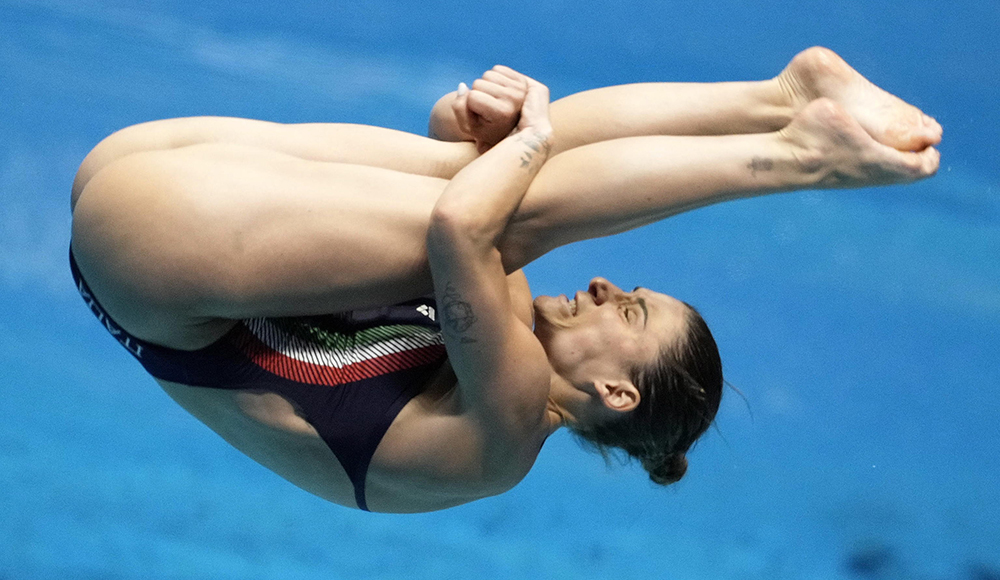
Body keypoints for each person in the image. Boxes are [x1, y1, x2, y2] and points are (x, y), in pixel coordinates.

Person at [69, 47, 940, 513]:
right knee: (478, 174)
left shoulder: (509, 426)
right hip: (146, 227)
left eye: (630, 309)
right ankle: (781, 98)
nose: (601, 284)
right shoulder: (507, 333)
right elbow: (379, 244)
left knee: (507, 205)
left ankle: (798, 154)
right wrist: (481, 136)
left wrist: (520, 143)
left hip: (158, 259)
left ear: (614, 393)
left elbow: (462, 228)